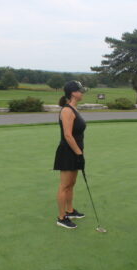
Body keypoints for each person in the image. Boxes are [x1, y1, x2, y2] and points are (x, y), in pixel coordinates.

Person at [54, 81, 87, 229]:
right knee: (64, 185)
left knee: (71, 184)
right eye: (80, 91)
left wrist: (79, 153)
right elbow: (68, 135)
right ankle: (61, 218)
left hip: (75, 151)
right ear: (73, 93)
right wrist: (79, 154)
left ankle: (70, 210)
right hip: (68, 152)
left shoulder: (74, 108)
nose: (82, 93)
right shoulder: (67, 110)